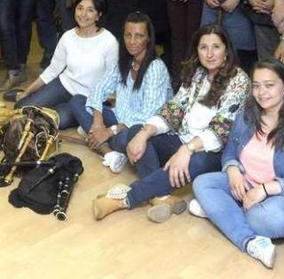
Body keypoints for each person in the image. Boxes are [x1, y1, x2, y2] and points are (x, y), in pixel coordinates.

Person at [94, 24, 250, 223]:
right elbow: (173, 110)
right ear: (197, 51)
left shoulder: (239, 80)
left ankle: (125, 198)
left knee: (197, 161)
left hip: (212, 152)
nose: (209, 54)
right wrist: (144, 133)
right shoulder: (198, 73)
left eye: (216, 47)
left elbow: (221, 131)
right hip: (182, 140)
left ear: (226, 50)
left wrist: (187, 150)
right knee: (136, 131)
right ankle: (159, 197)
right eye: (203, 47)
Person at [192, 59, 284, 269]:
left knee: (262, 218)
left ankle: (223, 213)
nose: (261, 92)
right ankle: (250, 242)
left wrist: (265, 189)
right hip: (248, 184)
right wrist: (232, 169)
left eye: (269, 85)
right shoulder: (247, 115)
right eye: (256, 85)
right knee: (202, 183)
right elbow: (230, 150)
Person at [67, 12, 172, 172]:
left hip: (141, 130)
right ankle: (108, 152)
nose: (132, 41)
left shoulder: (155, 68)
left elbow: (147, 117)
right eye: (128, 35)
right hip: (119, 119)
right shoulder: (124, 60)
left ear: (149, 38)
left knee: (125, 138)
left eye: (139, 36)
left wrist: (109, 131)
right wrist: (97, 121)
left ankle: (95, 137)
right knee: (77, 101)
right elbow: (100, 88)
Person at [15, 0, 118, 122]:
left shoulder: (109, 41)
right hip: (64, 85)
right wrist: (27, 92)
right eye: (80, 8)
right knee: (22, 108)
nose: (83, 14)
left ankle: (61, 108)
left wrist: (100, 105)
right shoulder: (68, 36)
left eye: (90, 10)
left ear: (98, 16)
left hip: (88, 97)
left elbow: (112, 79)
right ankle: (47, 103)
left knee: (55, 120)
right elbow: (52, 70)